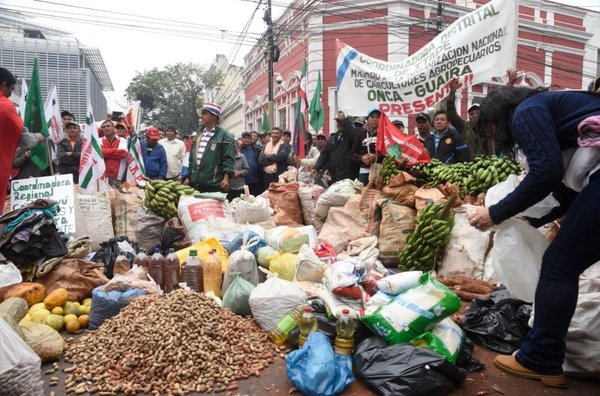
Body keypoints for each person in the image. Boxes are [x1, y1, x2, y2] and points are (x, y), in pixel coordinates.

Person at [469, 87, 600, 388]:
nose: (493, 134)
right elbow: (568, 190)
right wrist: (532, 219)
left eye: (489, 127)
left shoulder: (526, 111)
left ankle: (541, 357)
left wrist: (495, 213)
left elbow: (546, 171)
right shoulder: (560, 110)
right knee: (564, 263)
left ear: (496, 114)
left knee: (558, 266)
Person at [0, 67, 44, 210]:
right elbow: (26, 140)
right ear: (4, 85)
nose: (10, 94)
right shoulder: (5, 107)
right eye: (11, 89)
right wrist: (39, 136)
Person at [182, 102, 235, 193]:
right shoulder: (198, 136)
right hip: (196, 184)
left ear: (214, 116)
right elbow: (191, 160)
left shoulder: (225, 136)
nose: (201, 116)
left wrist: (226, 178)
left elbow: (228, 160)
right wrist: (188, 177)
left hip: (214, 185)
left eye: (204, 113)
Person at [313, 111, 359, 184]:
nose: (339, 124)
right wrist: (317, 167)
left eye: (341, 122)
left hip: (349, 178)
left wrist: (345, 120)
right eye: (337, 121)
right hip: (334, 178)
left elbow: (353, 135)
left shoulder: (351, 137)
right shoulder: (333, 138)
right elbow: (324, 155)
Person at [352, 108, 382, 185]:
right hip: (364, 171)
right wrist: (361, 158)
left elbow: (389, 153)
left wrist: (376, 157)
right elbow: (352, 153)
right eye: (372, 117)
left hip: (380, 170)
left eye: (377, 117)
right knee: (364, 193)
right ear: (367, 119)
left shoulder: (384, 134)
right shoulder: (361, 133)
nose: (375, 119)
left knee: (378, 194)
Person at [240, 131, 263, 196]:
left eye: (248, 138)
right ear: (242, 139)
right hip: (243, 180)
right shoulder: (239, 150)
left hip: (256, 179)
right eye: (245, 138)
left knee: (256, 198)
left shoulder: (257, 149)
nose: (246, 139)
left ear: (251, 139)